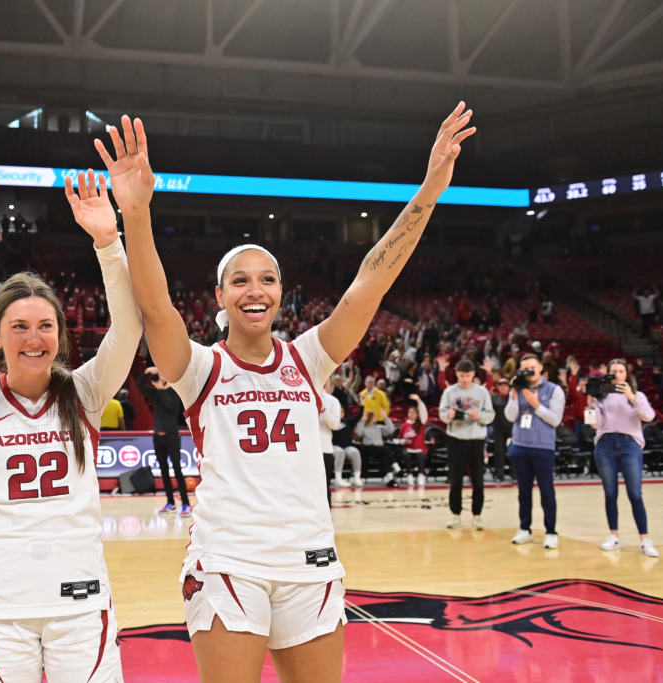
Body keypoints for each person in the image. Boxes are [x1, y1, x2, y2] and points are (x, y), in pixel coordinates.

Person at [108, 104, 475, 681]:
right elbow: (153, 306)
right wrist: (136, 211)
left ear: (282, 292)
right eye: (240, 281)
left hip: (311, 561)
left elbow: (373, 278)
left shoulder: (308, 357)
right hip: (229, 562)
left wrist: (429, 189)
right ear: (220, 297)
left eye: (268, 279)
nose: (255, 290)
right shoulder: (201, 366)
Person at [0, 160, 141, 682]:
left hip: (81, 603)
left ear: (60, 336)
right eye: (18, 326)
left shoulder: (83, 392)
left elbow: (130, 328)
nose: (34, 337)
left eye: (45, 325)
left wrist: (110, 244)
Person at [591, 359, 659, 557]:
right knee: (610, 493)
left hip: (630, 444)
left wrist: (632, 397)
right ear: (608, 374)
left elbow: (649, 416)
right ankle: (614, 535)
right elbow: (596, 425)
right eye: (613, 371)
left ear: (627, 374)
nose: (617, 374)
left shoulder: (638, 395)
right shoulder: (601, 397)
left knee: (635, 494)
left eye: (621, 371)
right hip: (606, 444)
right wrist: (592, 404)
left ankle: (645, 539)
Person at [504, 353, 566, 549]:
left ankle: (551, 532)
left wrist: (535, 404)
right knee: (523, 492)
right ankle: (524, 529)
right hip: (520, 446)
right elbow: (510, 416)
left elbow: (555, 420)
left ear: (540, 368)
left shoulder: (554, 390)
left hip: (543, 447)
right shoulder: (518, 389)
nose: (528, 372)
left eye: (532, 368)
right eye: (524, 369)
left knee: (546, 491)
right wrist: (514, 396)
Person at [439, 359, 494, 530]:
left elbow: (490, 415)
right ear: (456, 373)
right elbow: (442, 415)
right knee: (456, 480)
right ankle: (456, 515)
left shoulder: (482, 392)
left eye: (468, 375)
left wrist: (479, 416)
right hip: (456, 438)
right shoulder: (449, 392)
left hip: (476, 439)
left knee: (478, 479)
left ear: (473, 375)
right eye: (462, 375)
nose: (465, 379)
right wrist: (449, 414)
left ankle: (477, 516)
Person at [139, 366, 190, 516]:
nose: (160, 377)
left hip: (172, 436)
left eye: (162, 375)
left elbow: (170, 405)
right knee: (164, 472)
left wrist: (161, 389)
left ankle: (186, 504)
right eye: (159, 375)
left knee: (177, 471)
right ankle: (170, 503)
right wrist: (146, 372)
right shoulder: (156, 392)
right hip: (158, 437)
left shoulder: (175, 392)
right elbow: (139, 386)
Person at [355, 410, 399, 486]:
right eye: (374, 416)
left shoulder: (379, 427)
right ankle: (394, 464)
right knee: (387, 448)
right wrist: (362, 420)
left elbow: (390, 430)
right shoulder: (364, 427)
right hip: (369, 448)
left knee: (385, 456)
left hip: (380, 449)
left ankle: (390, 478)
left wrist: (386, 418)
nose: (376, 417)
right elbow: (358, 432)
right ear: (370, 417)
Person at [319, 374, 343, 503]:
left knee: (324, 487)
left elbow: (335, 425)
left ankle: (327, 520)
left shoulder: (332, 401)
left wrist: (323, 410)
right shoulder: (300, 399)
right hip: (303, 450)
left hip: (324, 449)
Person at [396, 394, 429, 486]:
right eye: (410, 412)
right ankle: (409, 475)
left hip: (420, 448)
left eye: (414, 412)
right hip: (408, 448)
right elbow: (399, 439)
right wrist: (402, 441)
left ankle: (420, 475)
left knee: (420, 455)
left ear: (417, 414)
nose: (411, 414)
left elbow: (424, 413)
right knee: (406, 455)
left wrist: (419, 401)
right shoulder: (404, 425)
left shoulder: (421, 423)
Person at [490, 377, 513, 482]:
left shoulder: (514, 398)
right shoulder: (493, 398)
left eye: (505, 385)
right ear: (498, 387)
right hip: (498, 429)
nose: (503, 387)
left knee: (513, 452)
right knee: (499, 452)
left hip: (511, 430)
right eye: (501, 385)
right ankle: (499, 475)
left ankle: (515, 474)